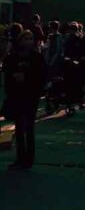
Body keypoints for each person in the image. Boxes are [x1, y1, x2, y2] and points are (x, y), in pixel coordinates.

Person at [1, 29, 46, 169]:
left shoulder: (36, 57)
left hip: (31, 96)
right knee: (19, 128)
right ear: (20, 41)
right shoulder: (13, 57)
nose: (29, 41)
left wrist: (26, 78)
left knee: (29, 127)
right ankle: (20, 158)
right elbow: (7, 76)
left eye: (31, 38)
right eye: (26, 38)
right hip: (17, 96)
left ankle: (29, 159)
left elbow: (41, 76)